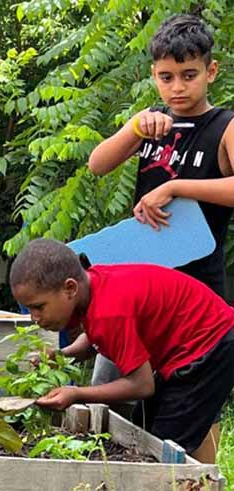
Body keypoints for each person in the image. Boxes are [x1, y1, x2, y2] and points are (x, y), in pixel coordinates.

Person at [86, 13, 234, 407]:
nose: (177, 87)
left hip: (196, 287)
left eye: (189, 75)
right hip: (136, 285)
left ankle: (198, 473)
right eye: (166, 77)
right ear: (153, 75)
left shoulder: (225, 125)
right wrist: (133, 127)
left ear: (211, 71)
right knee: (112, 396)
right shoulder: (152, 124)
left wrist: (174, 187)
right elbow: (97, 164)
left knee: (191, 405)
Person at [10, 238, 234, 464]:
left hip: (210, 348)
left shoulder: (110, 312)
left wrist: (77, 393)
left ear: (70, 288)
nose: (34, 318)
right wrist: (63, 355)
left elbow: (142, 385)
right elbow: (94, 337)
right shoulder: (92, 286)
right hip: (191, 348)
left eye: (39, 307)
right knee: (142, 425)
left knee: (162, 449)